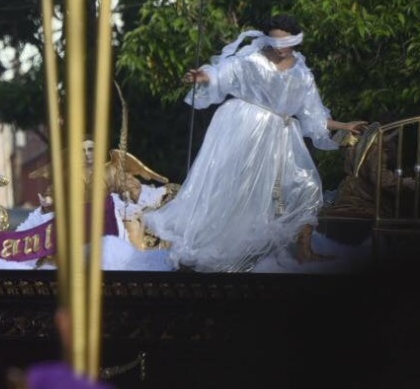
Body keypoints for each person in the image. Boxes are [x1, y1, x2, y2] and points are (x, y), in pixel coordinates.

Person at [143, 16, 367, 272]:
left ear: (296, 41)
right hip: (245, 128)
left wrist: (345, 126)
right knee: (237, 192)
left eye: (285, 41)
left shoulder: (302, 74)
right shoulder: (254, 60)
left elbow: (314, 115)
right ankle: (216, 249)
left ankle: (305, 251)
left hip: (281, 135)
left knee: (307, 186)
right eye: (274, 40)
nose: (279, 46)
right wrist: (205, 76)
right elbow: (226, 71)